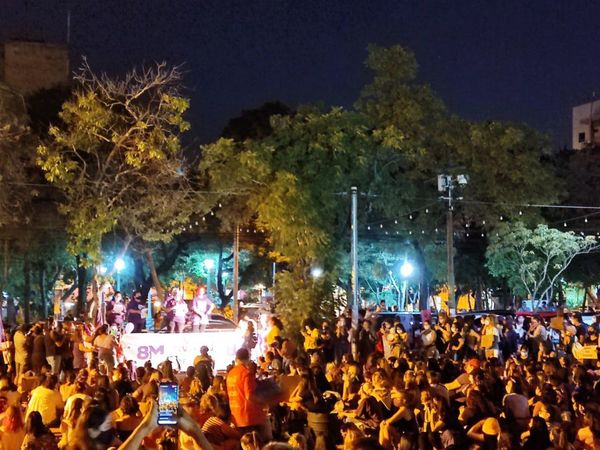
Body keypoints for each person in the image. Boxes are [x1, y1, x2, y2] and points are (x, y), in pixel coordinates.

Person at [226, 348, 270, 441]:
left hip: (236, 416)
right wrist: (264, 404)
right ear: (248, 357)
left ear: (236, 358)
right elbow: (250, 395)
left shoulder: (230, 374)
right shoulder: (246, 373)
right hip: (250, 417)